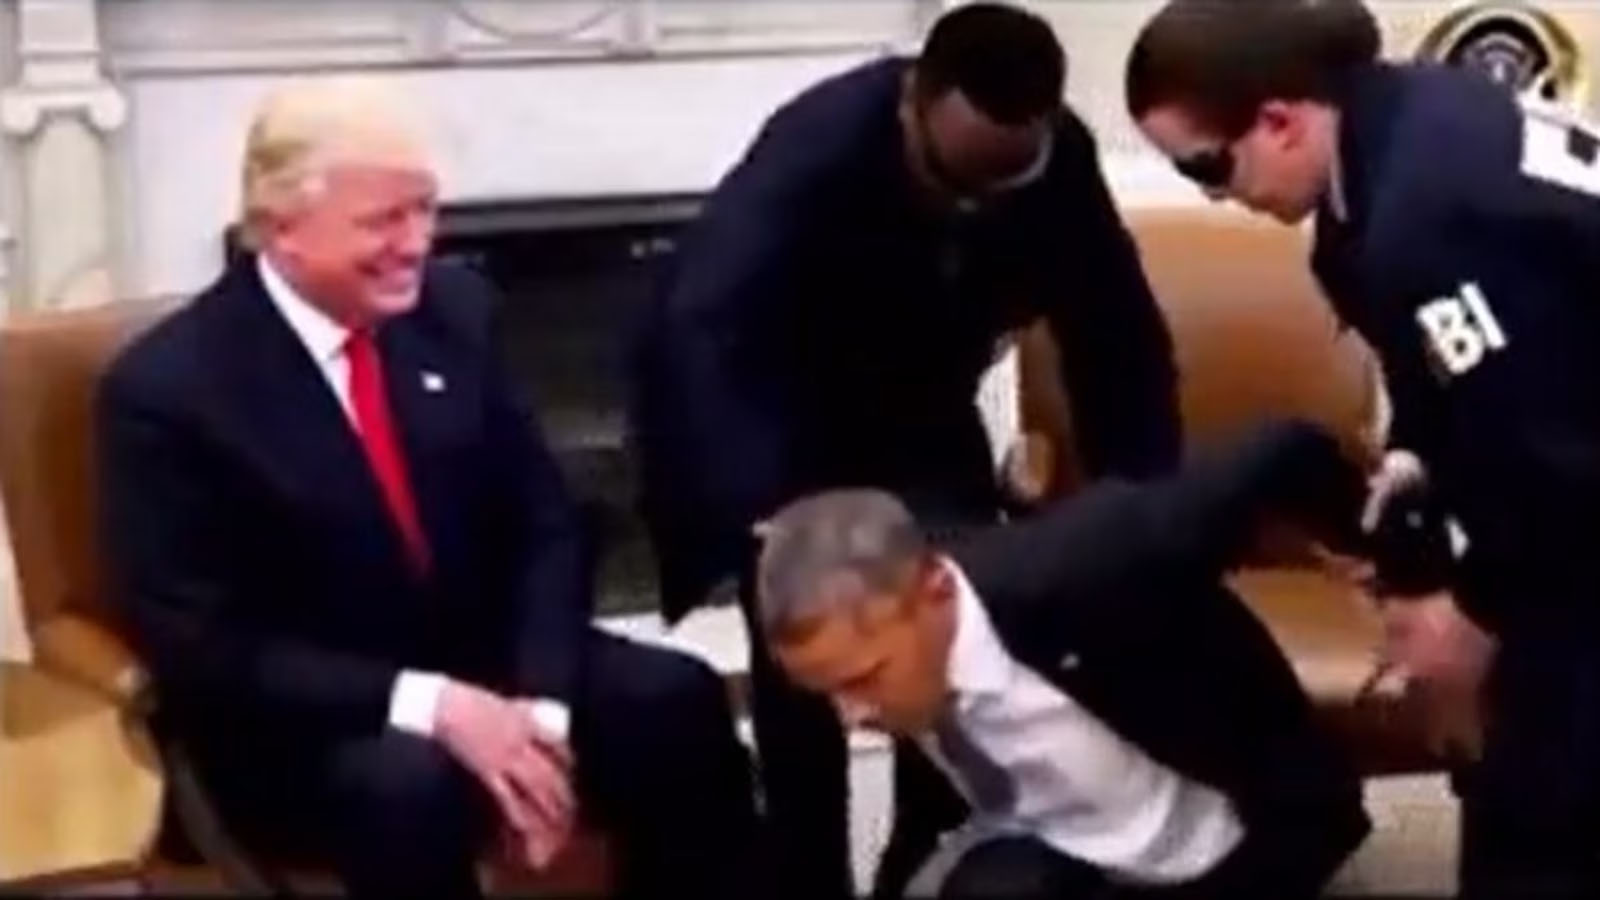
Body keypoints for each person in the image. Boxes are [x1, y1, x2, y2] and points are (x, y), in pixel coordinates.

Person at [98, 78, 758, 899]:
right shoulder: (168, 390)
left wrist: (542, 708)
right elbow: (205, 644)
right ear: (280, 227)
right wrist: (436, 705)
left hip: (483, 661)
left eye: (426, 210)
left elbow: (543, 520)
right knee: (409, 789)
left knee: (676, 702)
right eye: (383, 220)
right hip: (309, 722)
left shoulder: (453, 310)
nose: (417, 244)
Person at [630, 4, 1181, 894]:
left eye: (1002, 182)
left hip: (926, 406)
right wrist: (758, 512)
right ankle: (809, 878)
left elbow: (1116, 334)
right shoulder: (817, 147)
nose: (974, 204)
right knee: (808, 663)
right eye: (953, 178)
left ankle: (923, 857)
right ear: (910, 104)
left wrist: (1147, 506)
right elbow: (705, 331)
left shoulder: (1060, 161)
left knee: (948, 624)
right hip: (787, 414)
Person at [1126, 0, 1600, 894]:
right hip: (1559, 490)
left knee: (1546, 800)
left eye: (1207, 166)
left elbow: (1555, 460)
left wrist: (1472, 610)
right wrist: (1418, 455)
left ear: (1279, 119)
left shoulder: (1428, 219)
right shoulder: (1406, 121)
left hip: (1572, 523)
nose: (1212, 195)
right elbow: (1470, 378)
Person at [754, 420, 1373, 899]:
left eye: (865, 679)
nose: (851, 717)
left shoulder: (1091, 564)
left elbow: (1284, 448)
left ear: (936, 590)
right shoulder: (880, 649)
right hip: (1059, 852)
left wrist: (1396, 569)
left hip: (1228, 842)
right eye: (829, 693)